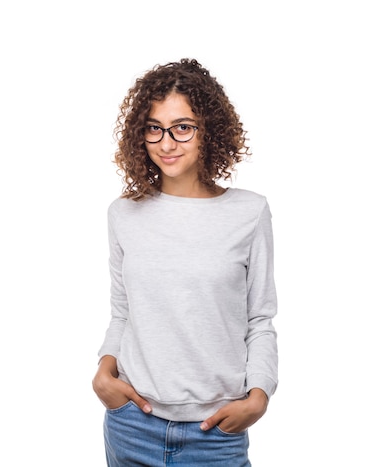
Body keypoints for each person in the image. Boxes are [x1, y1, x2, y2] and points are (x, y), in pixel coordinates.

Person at [92, 58, 278, 466]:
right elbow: (123, 312)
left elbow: (260, 319)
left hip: (216, 432)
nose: (167, 142)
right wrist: (104, 375)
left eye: (183, 127)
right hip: (132, 425)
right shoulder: (123, 214)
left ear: (209, 130)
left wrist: (259, 396)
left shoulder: (249, 212)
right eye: (154, 128)